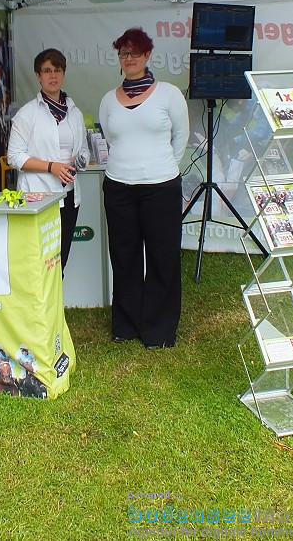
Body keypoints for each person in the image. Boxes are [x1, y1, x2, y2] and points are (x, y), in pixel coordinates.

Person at [99, 27, 189, 350]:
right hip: (118, 189)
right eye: (124, 53)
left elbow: (181, 137)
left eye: (135, 52)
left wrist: (161, 167)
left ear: (148, 55)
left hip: (161, 188)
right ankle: (126, 324)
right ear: (119, 59)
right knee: (124, 258)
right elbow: (111, 140)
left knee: (163, 258)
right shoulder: (109, 100)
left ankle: (159, 330)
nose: (129, 58)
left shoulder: (169, 95)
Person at [7, 49, 90, 274]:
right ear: (38, 75)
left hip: (70, 195)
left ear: (63, 74)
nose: (52, 76)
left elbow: (83, 149)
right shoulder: (27, 114)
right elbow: (14, 156)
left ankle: (54, 309)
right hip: (39, 196)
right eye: (47, 71)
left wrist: (80, 159)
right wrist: (51, 167)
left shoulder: (75, 113)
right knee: (39, 263)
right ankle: (38, 309)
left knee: (59, 261)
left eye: (57, 70)